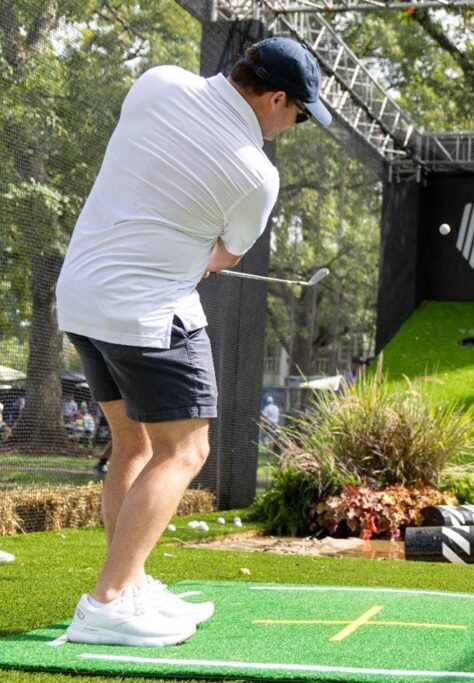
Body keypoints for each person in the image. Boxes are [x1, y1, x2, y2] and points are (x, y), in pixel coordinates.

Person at [54, 36, 331, 647]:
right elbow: (221, 255)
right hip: (148, 315)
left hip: (79, 296)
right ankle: (105, 602)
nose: (295, 125)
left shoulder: (157, 81)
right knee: (185, 452)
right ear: (276, 98)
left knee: (133, 443)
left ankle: (125, 582)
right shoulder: (258, 175)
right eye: (300, 114)